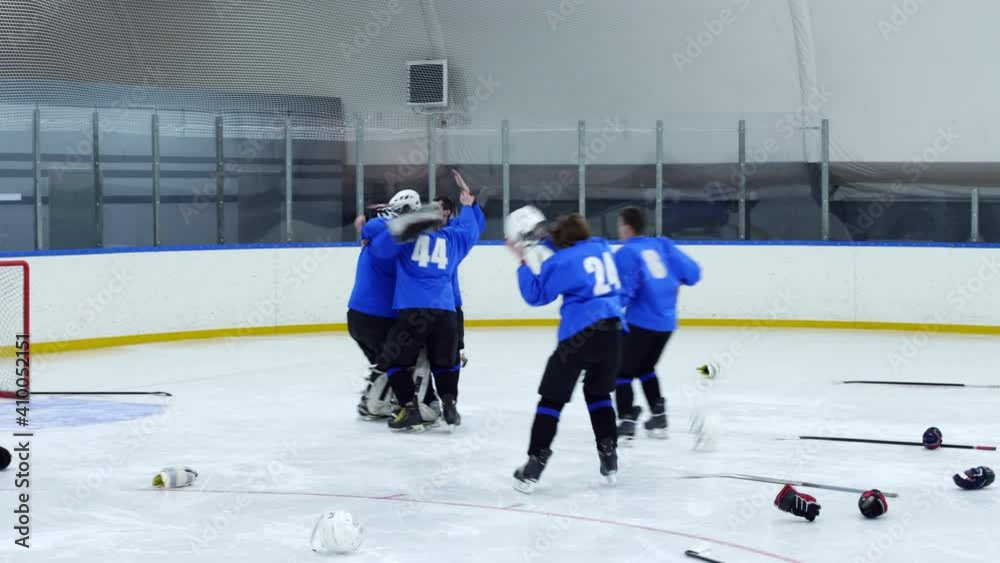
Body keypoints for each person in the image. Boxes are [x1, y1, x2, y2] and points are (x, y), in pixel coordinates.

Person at [507, 210, 624, 493]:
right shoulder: (601, 246)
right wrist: (545, 238)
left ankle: (535, 464)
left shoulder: (560, 261)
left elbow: (536, 296)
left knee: (551, 400)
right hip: (614, 333)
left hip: (580, 336)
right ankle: (609, 455)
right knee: (598, 394)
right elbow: (577, 252)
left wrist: (523, 261)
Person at [368, 171, 484, 432]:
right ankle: (449, 402)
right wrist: (468, 204)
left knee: (395, 361)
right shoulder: (452, 238)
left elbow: (380, 249)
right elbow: (470, 230)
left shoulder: (406, 238)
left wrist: (392, 220)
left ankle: (409, 408)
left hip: (414, 311)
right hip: (445, 312)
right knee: (446, 362)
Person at [612, 206, 701, 440]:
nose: (619, 230)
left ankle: (627, 420)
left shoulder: (626, 252)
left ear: (627, 227)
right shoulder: (662, 245)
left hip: (640, 322)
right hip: (666, 323)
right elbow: (693, 273)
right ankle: (658, 417)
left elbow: (624, 293)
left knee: (620, 372)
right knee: (645, 368)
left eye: (620, 225)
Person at [347, 190, 420, 419]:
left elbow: (373, 226)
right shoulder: (401, 240)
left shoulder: (378, 232)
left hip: (356, 315)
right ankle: (405, 407)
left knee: (384, 364)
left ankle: (371, 402)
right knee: (398, 364)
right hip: (381, 317)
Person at [433, 189, 486, 368]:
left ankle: (457, 351)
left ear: (447, 211)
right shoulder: (426, 231)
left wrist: (471, 204)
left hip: (450, 296)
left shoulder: (455, 230)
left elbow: (475, 226)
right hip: (428, 297)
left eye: (436, 208)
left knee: (453, 329)